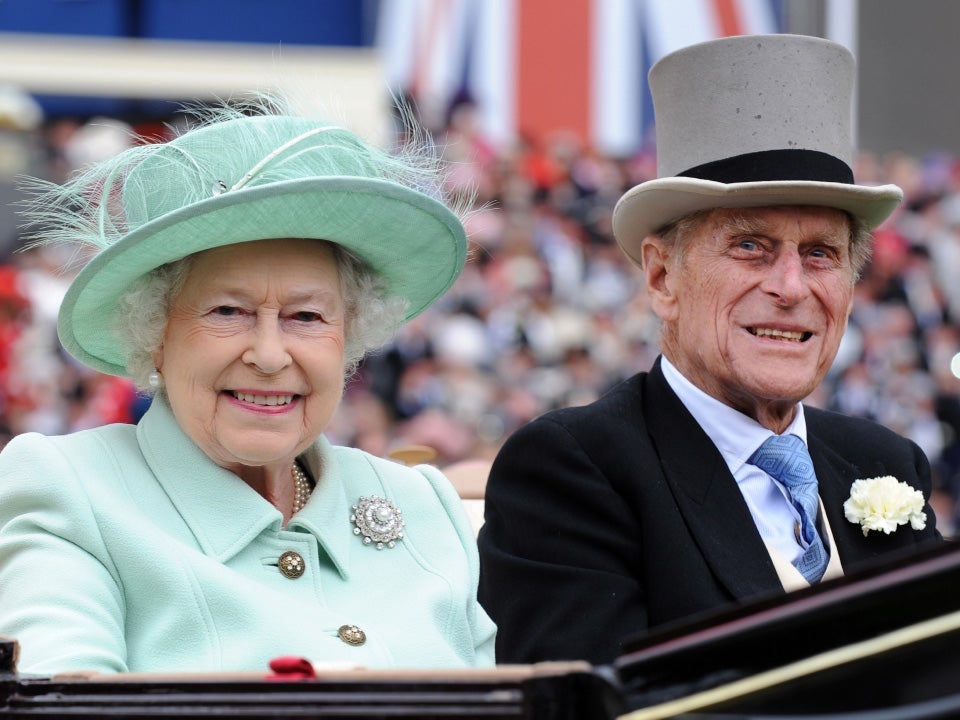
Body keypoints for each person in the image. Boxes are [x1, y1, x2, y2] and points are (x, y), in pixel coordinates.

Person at [477, 34, 943, 666]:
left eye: (820, 254)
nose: (790, 287)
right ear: (663, 277)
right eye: (750, 246)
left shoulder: (884, 461)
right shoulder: (577, 469)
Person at [0, 96, 495, 675]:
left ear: (350, 336)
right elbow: (62, 707)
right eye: (228, 312)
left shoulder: (424, 506)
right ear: (155, 332)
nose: (268, 354)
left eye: (306, 318)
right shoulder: (72, 490)